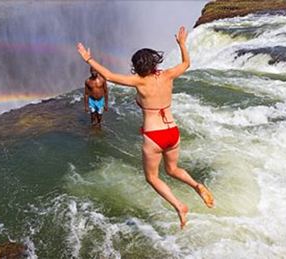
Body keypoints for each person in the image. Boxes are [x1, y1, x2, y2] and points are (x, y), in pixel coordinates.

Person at [77, 26, 214, 229]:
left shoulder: (138, 82)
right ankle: (197, 185)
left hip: (154, 135)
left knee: (152, 177)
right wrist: (182, 44)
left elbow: (109, 75)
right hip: (173, 132)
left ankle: (179, 206)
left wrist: (88, 59)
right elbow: (186, 63)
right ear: (154, 62)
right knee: (173, 169)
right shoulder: (168, 75)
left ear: (136, 67)